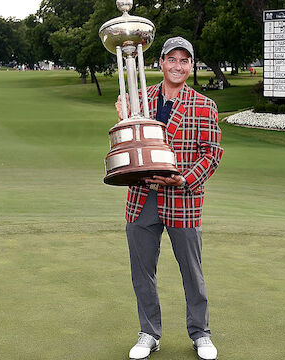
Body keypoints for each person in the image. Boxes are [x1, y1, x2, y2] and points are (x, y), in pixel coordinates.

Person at [115, 37, 223, 360]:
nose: (177, 66)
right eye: (171, 59)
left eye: (184, 60)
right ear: (160, 62)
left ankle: (200, 333)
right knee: (142, 270)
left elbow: (212, 155)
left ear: (191, 66)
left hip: (184, 199)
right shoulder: (141, 99)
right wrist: (123, 118)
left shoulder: (204, 105)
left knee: (192, 270)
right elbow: (129, 146)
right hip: (142, 197)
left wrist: (184, 178)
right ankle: (149, 332)